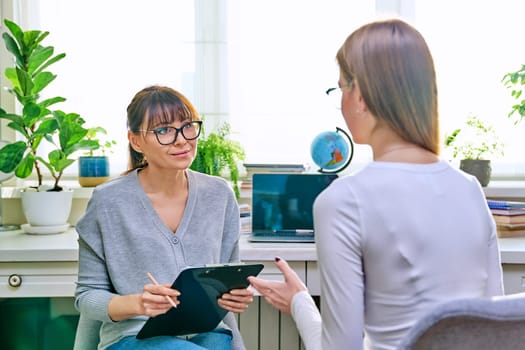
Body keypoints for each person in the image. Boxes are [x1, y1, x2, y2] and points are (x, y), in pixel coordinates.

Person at [248, 19, 504, 350]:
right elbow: (496, 326)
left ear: (362, 96)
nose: (340, 102)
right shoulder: (469, 189)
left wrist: (300, 302)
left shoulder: (343, 200)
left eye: (340, 88)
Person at [75, 85, 254, 350]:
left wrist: (235, 296)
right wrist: (138, 303)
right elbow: (86, 296)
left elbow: (228, 275)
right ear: (136, 141)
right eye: (164, 130)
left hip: (209, 333)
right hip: (134, 337)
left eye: (188, 126)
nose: (182, 139)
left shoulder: (219, 194)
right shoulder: (108, 201)